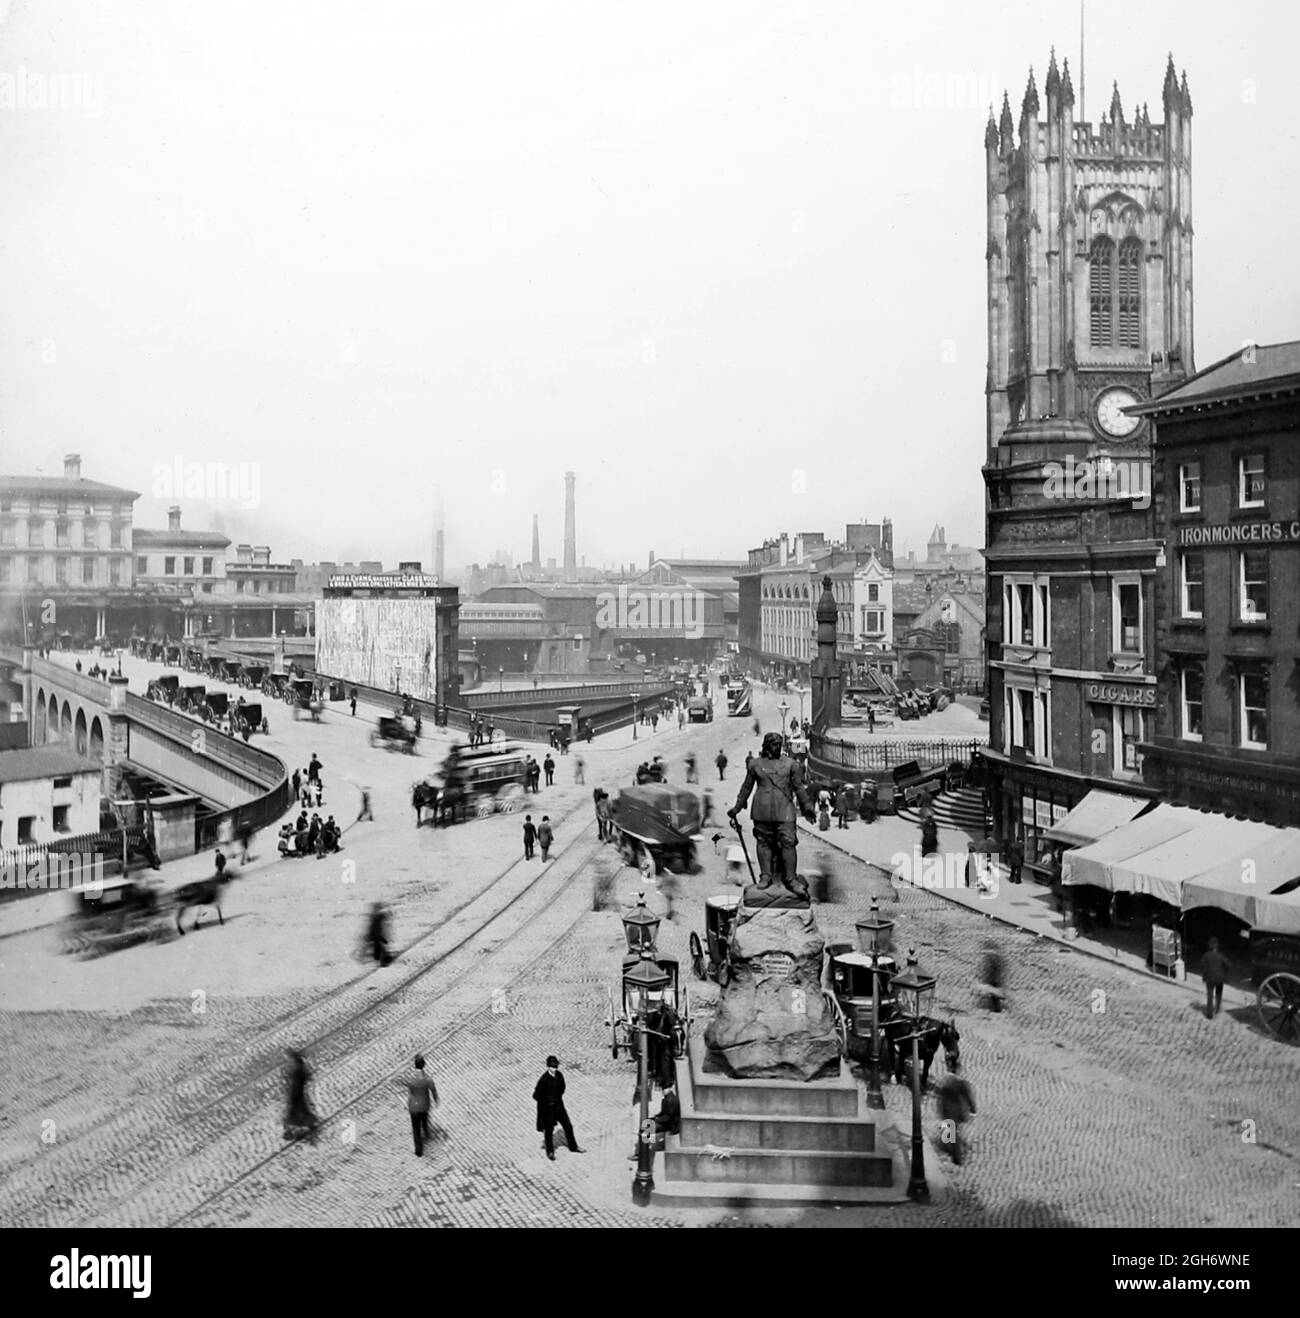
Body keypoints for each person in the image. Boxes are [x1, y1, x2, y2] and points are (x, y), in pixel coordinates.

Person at [728, 732, 817, 899]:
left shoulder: (790, 764)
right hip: (763, 809)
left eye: (779, 744)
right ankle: (765, 876)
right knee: (764, 842)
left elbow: (799, 787)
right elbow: (746, 788)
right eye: (775, 744)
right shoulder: (755, 764)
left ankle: (791, 879)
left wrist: (807, 805)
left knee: (789, 841)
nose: (778, 747)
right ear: (767, 746)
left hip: (785, 809)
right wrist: (737, 807)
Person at [533, 1055, 583, 1160]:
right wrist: (547, 1101)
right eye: (552, 1066)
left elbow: (562, 1088)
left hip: (559, 1107)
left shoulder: (559, 1075)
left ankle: (573, 1147)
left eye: (555, 1066)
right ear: (548, 1067)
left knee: (568, 1126)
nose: (554, 1068)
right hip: (548, 1109)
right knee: (549, 1130)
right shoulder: (544, 1080)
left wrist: (557, 1098)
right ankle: (550, 1152)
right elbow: (536, 1095)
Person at [396, 1054, 439, 1157]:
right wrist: (436, 1099)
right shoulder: (427, 1079)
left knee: (416, 1129)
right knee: (425, 1118)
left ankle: (418, 1150)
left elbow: (403, 1082)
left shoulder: (411, 1080)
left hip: (414, 1107)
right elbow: (433, 1090)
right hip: (424, 1105)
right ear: (424, 1065)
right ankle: (426, 1132)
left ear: (415, 1066)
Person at [935, 1059, 976, 1165]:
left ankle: (947, 1151)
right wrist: (972, 1110)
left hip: (945, 1110)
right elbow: (968, 1097)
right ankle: (957, 1157)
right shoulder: (960, 1083)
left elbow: (940, 1096)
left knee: (947, 1133)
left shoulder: (945, 1082)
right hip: (956, 1111)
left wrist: (940, 1109)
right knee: (953, 1134)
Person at [283, 1048, 319, 1143]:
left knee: (297, 1108)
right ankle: (302, 1123)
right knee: (299, 1107)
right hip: (297, 1092)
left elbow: (296, 1080)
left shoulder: (297, 1070)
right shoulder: (299, 1069)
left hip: (296, 1092)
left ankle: (300, 1124)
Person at [1201, 936, 1231, 1019]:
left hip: (1209, 978)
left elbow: (1202, 965)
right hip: (1219, 978)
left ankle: (1209, 1013)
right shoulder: (1221, 956)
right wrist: (1224, 971)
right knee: (1219, 993)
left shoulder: (1206, 955)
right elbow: (1228, 965)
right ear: (1217, 946)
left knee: (1210, 995)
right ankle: (1217, 1008)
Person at [367, 901, 394, 966]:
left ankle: (383, 958)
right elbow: (375, 931)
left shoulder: (375, 920)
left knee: (379, 948)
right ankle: (384, 959)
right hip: (377, 938)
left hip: (376, 938)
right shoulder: (376, 921)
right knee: (379, 948)